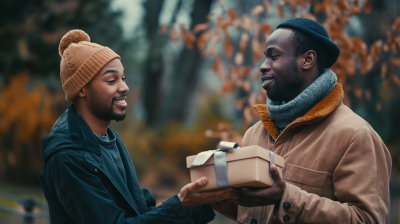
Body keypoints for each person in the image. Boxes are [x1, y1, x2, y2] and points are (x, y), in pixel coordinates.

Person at [40, 29, 237, 224]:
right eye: (111, 80)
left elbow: (141, 212)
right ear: (81, 89)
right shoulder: (68, 155)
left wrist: (202, 200)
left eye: (123, 78)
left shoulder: (110, 140)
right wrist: (181, 204)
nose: (124, 87)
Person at [211, 18, 392, 224]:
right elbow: (252, 212)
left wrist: (285, 198)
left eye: (274, 56)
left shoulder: (355, 135)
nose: (263, 67)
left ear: (307, 60)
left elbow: (367, 220)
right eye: (265, 58)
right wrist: (221, 188)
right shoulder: (254, 133)